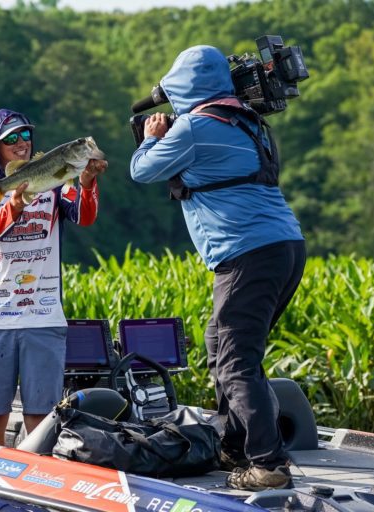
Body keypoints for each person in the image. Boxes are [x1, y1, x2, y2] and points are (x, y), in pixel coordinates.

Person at [129, 45, 306, 491]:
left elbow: (142, 171)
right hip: (285, 245)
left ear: (184, 88)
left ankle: (268, 465)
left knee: (236, 361)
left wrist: (153, 136)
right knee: (222, 345)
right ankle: (234, 445)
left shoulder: (192, 126)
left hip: (247, 252)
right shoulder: (247, 119)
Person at [0, 109, 107, 448]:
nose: (21, 143)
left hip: (43, 317)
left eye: (25, 135)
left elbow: (85, 217)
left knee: (40, 420)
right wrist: (14, 203)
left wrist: (87, 183)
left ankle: (36, 491)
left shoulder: (57, 186)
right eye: (10, 139)